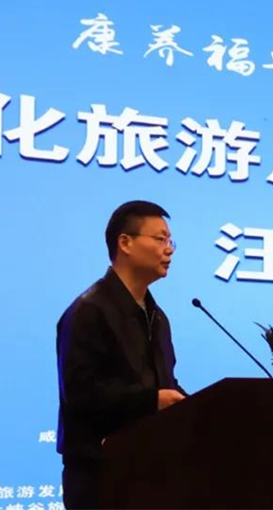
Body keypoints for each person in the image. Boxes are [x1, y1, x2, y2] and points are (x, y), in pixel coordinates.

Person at [56, 200, 186, 509]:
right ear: (125, 243)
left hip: (152, 473)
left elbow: (164, 383)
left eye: (171, 241)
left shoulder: (157, 316)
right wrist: (152, 401)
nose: (169, 250)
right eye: (160, 239)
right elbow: (81, 396)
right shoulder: (88, 311)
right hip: (101, 477)